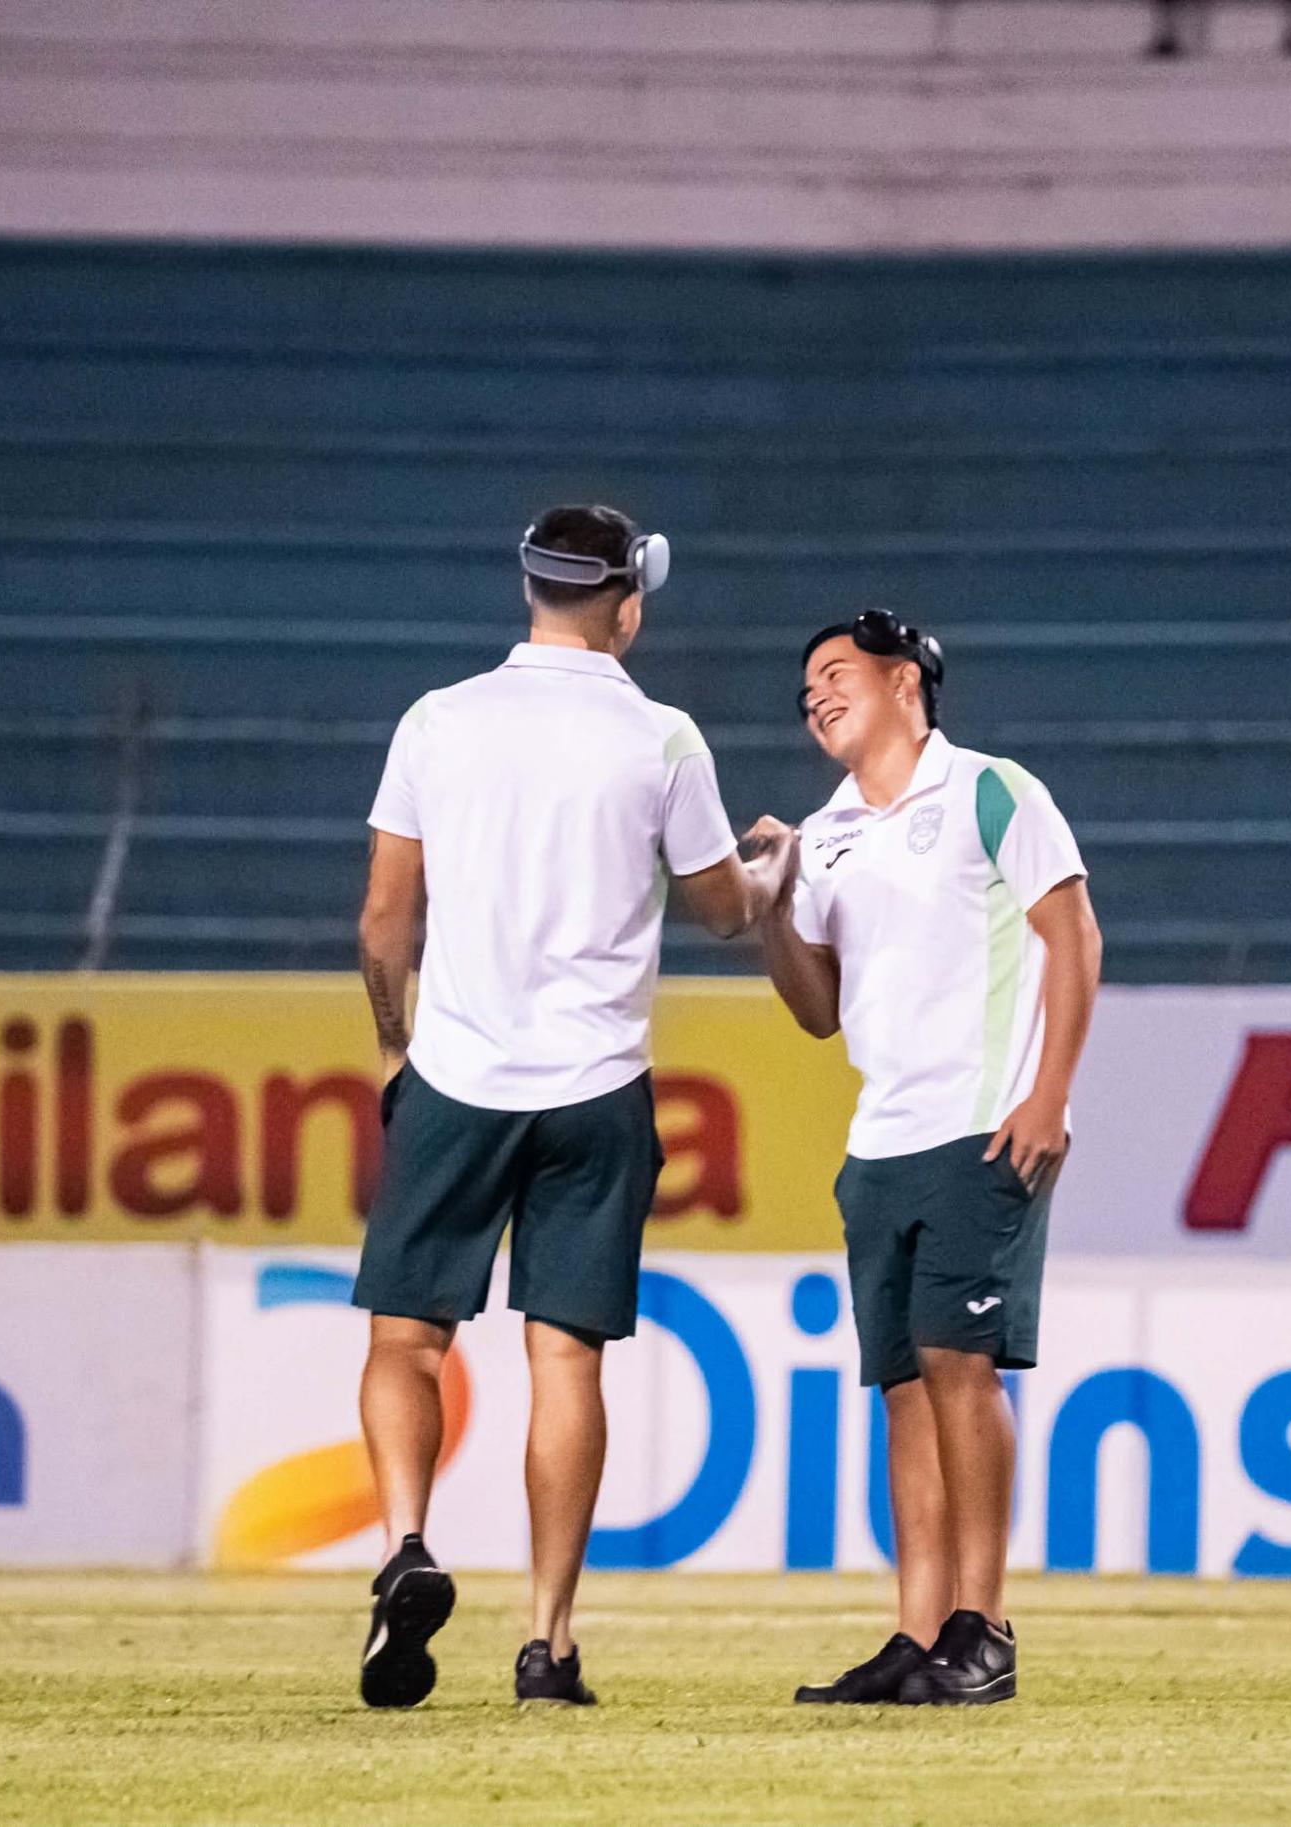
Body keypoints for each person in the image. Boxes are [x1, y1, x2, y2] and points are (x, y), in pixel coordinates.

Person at [352, 504, 796, 1710]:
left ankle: (403, 1545)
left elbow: (387, 916)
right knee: (567, 1360)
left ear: (528, 592)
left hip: (457, 1072)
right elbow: (718, 911)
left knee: (406, 1339)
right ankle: (547, 1641)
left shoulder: (437, 722)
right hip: (596, 1089)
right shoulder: (661, 740)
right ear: (627, 603)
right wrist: (775, 869)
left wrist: (396, 1048)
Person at [749, 609, 1101, 1706]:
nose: (813, 694)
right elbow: (817, 1010)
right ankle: (915, 1635)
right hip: (882, 1139)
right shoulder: (828, 831)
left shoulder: (992, 790)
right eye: (804, 684)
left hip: (981, 1122)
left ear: (906, 681)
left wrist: (1048, 1095)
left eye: (834, 672)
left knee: (959, 1366)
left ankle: (980, 1628)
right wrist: (769, 910)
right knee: (904, 1386)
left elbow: (1071, 935)